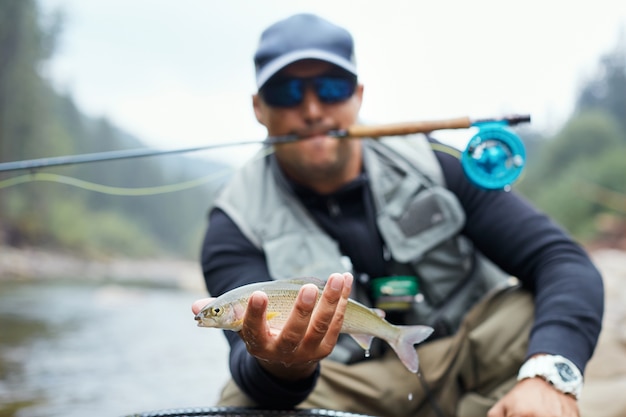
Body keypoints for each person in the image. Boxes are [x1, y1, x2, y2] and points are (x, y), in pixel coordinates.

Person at [191, 13, 604, 417]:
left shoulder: (437, 165)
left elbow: (561, 260)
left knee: (530, 310)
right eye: (286, 93)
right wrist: (285, 364)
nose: (313, 109)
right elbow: (246, 364)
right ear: (258, 107)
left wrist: (550, 373)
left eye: (332, 88)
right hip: (340, 384)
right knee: (244, 401)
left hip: (467, 357)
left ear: (358, 95)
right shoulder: (233, 223)